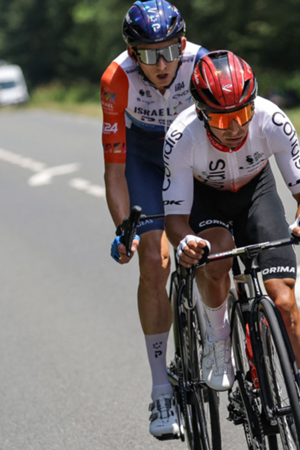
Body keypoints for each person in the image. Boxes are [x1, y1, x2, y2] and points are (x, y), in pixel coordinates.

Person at [162, 50, 300, 450]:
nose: (234, 127)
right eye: (223, 119)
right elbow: (175, 220)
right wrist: (187, 242)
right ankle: (219, 344)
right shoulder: (181, 136)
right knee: (218, 253)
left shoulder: (271, 118)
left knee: (284, 300)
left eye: (242, 114)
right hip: (205, 201)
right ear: (202, 112)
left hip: (256, 193)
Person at [101, 0, 207, 440]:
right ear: (131, 53)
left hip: (195, 151)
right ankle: (161, 387)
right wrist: (123, 228)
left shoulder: (200, 64)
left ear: (181, 45)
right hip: (144, 159)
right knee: (155, 261)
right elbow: (114, 167)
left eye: (168, 52)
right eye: (147, 54)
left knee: (224, 242)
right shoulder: (116, 79)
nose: (161, 64)